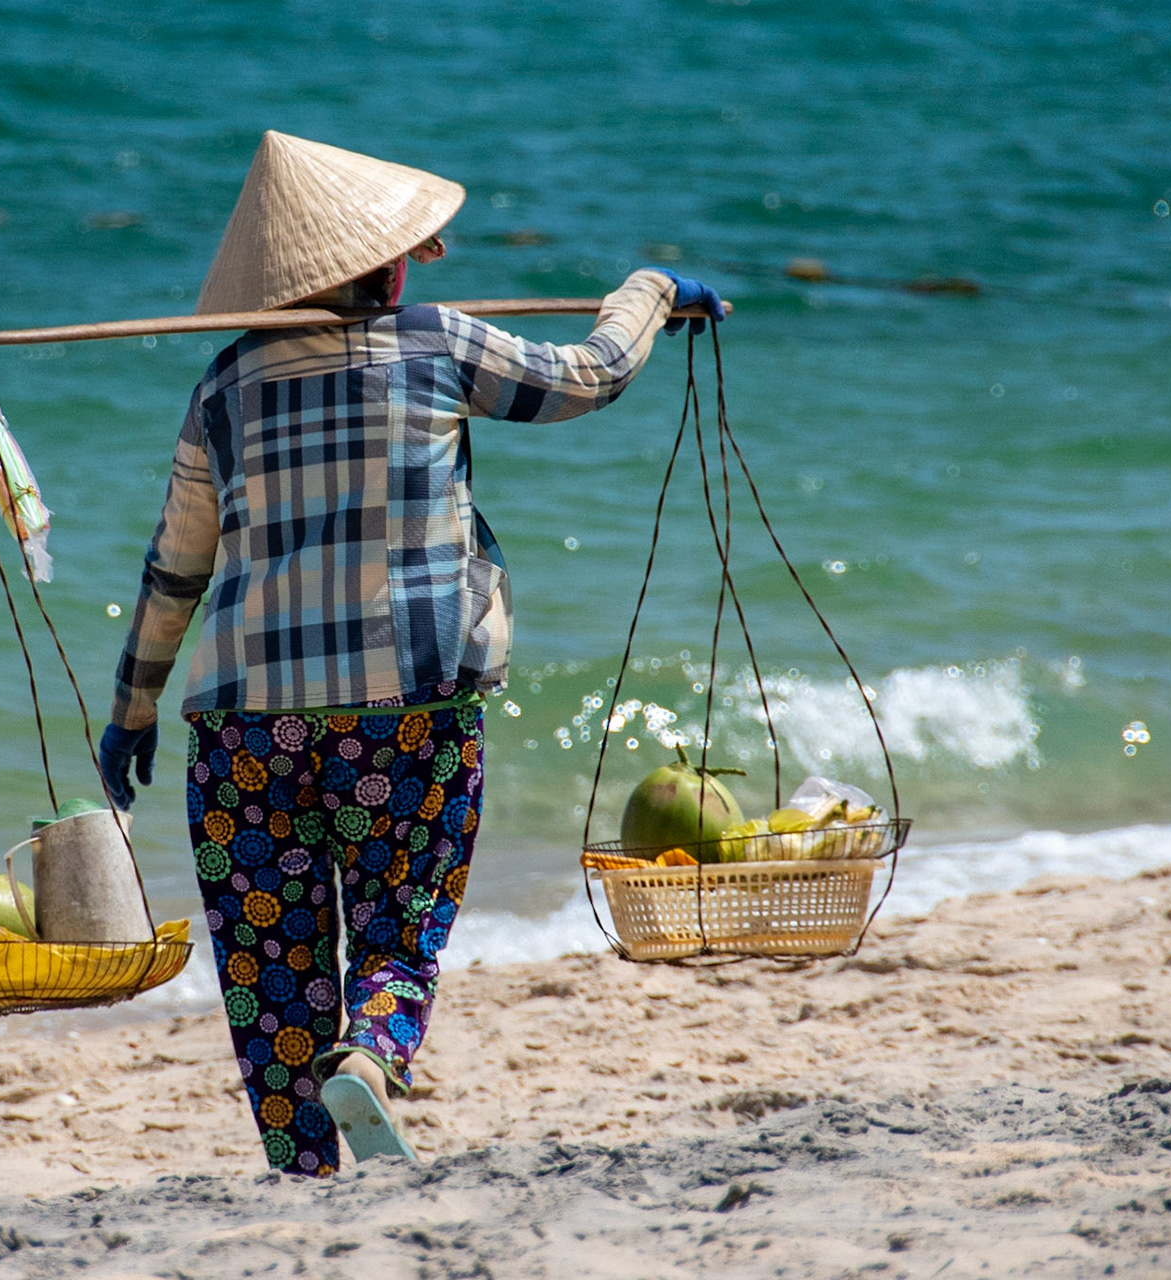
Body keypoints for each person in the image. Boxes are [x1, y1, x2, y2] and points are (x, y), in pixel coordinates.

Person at [98, 131, 724, 1177]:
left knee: (271, 967)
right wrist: (653, 289)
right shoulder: (440, 346)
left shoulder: (221, 388)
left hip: (247, 728)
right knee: (401, 917)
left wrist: (131, 707)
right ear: (385, 267)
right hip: (410, 712)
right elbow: (593, 373)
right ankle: (378, 1055)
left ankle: (303, 1166)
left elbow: (176, 569)